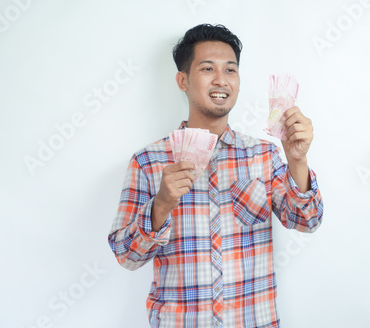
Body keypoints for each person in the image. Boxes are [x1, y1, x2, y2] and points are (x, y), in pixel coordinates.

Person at [108, 23, 323, 328]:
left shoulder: (265, 155)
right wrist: (162, 204)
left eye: (231, 70)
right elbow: (127, 257)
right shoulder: (148, 162)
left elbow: (307, 221)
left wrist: (297, 161)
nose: (221, 80)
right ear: (183, 80)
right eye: (207, 68)